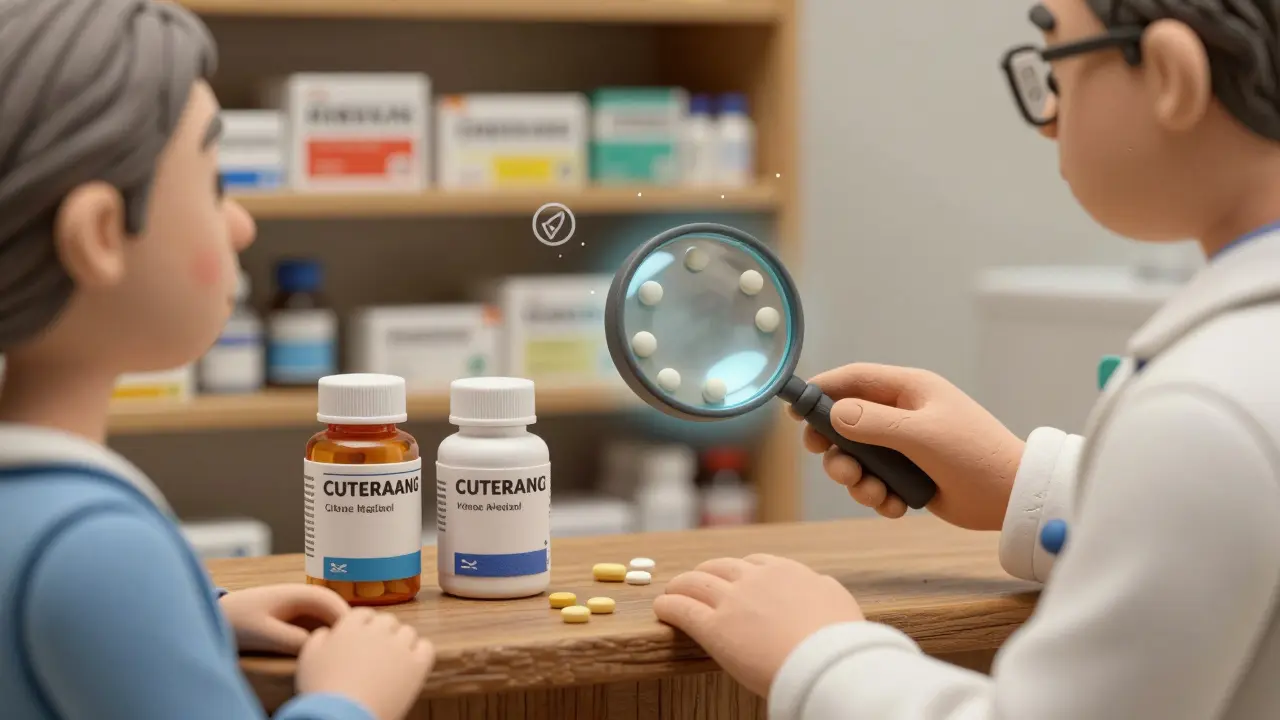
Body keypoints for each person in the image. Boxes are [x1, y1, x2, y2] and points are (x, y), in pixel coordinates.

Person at [653, 0, 1280, 718]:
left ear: (1170, 76)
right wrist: (1027, 485)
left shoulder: (1204, 413)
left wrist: (817, 652)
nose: (1048, 118)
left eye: (1057, 66)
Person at [0, 2, 433, 719]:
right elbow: (86, 582)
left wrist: (196, 612)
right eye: (213, 185)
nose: (241, 222)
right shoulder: (97, 544)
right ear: (101, 236)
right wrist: (349, 699)